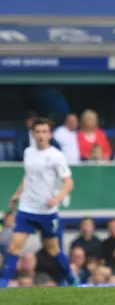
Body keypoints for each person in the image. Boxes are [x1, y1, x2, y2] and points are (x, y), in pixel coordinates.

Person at [0, 118, 78, 287]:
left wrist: (57, 198)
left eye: (44, 132)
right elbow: (28, 176)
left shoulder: (56, 156)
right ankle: (3, 284)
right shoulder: (28, 152)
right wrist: (17, 194)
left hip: (46, 212)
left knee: (52, 250)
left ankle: (71, 278)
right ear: (33, 134)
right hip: (27, 209)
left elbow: (69, 183)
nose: (41, 135)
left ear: (50, 134)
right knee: (14, 247)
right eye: (38, 132)